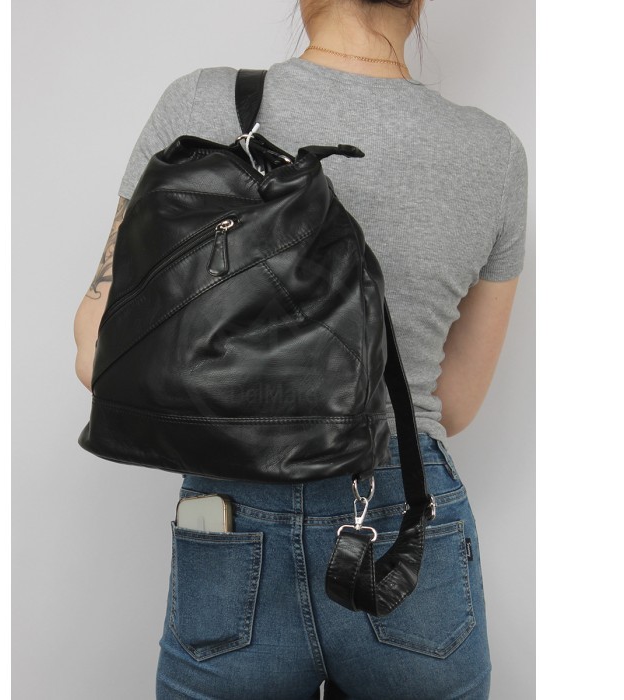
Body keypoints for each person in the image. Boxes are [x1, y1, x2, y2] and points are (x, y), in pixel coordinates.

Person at [73, 0, 528, 697]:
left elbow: (94, 354)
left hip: (230, 513)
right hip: (400, 514)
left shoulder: (202, 105)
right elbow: (457, 404)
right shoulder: (493, 152)